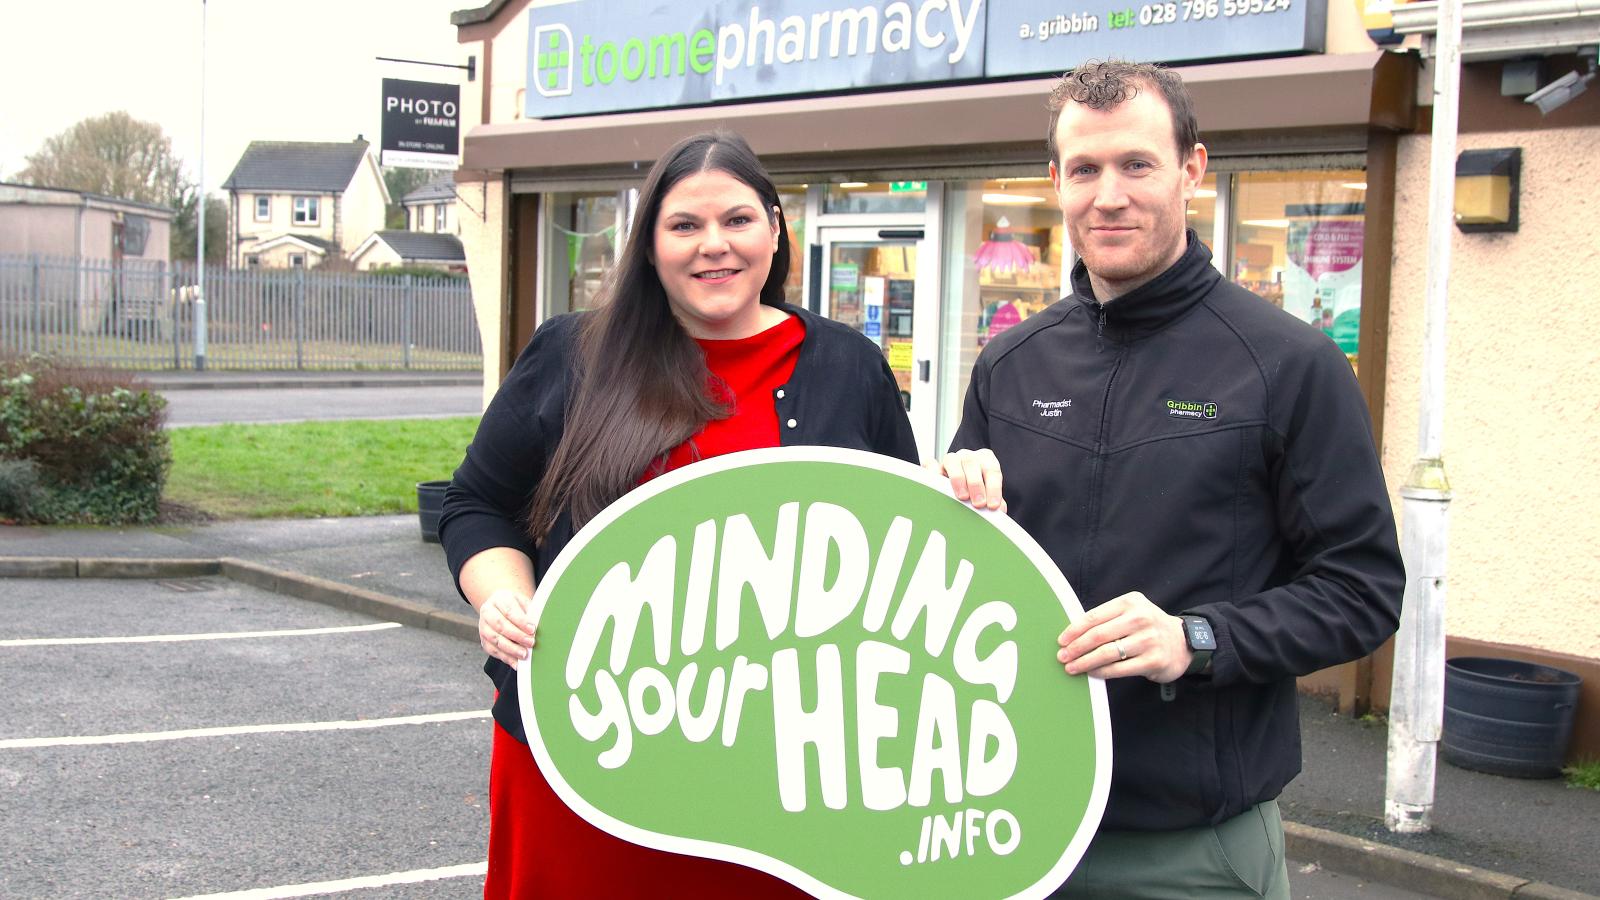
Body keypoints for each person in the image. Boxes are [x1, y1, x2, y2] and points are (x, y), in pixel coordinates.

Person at [936, 61, 1404, 898]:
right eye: (1085, 169)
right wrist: (958, 509)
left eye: (1136, 165)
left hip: (1188, 851)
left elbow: (1362, 591)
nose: (1108, 195)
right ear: (1056, 181)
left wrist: (1196, 640)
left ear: (1192, 169)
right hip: (1004, 821)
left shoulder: (1289, 365)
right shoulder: (1010, 364)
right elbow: (957, 580)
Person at [439, 130, 918, 899]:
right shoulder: (576, 354)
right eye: (685, 226)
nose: (713, 246)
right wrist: (502, 595)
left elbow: (904, 541)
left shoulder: (849, 366)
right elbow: (477, 503)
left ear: (775, 228)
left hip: (782, 777)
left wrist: (967, 492)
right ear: (651, 245)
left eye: (736, 220)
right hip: (582, 752)